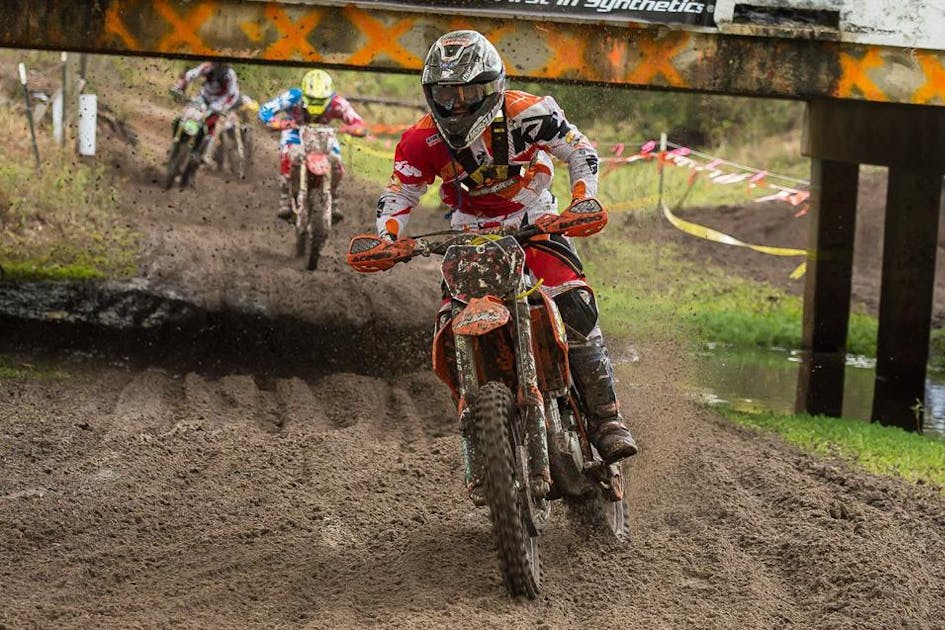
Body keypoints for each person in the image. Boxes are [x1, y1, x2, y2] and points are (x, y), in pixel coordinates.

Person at [375, 30, 638, 497]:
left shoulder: (528, 113)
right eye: (445, 95)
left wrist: (582, 200)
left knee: (574, 303)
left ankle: (606, 417)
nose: (456, 106)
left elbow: (580, 150)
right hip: (469, 231)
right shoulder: (421, 139)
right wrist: (388, 240)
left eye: (468, 93)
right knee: (449, 323)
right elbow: (400, 192)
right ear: (430, 93)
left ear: (492, 86)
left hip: (535, 218)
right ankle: (479, 430)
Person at [258, 69, 366, 223]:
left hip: (324, 134)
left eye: (320, 99)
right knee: (289, 154)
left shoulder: (338, 103)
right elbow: (265, 110)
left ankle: (334, 198)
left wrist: (356, 128)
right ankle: (285, 197)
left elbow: (357, 121)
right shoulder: (293, 97)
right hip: (295, 132)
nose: (316, 103)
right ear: (304, 93)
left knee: (335, 160)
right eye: (312, 99)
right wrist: (275, 122)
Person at [170, 61, 242, 164]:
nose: (218, 65)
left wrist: (224, 107)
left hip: (218, 103)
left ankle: (204, 153)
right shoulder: (208, 66)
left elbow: (233, 95)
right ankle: (176, 142)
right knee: (184, 116)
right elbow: (191, 75)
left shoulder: (229, 75)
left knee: (211, 126)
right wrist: (179, 86)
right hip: (203, 98)